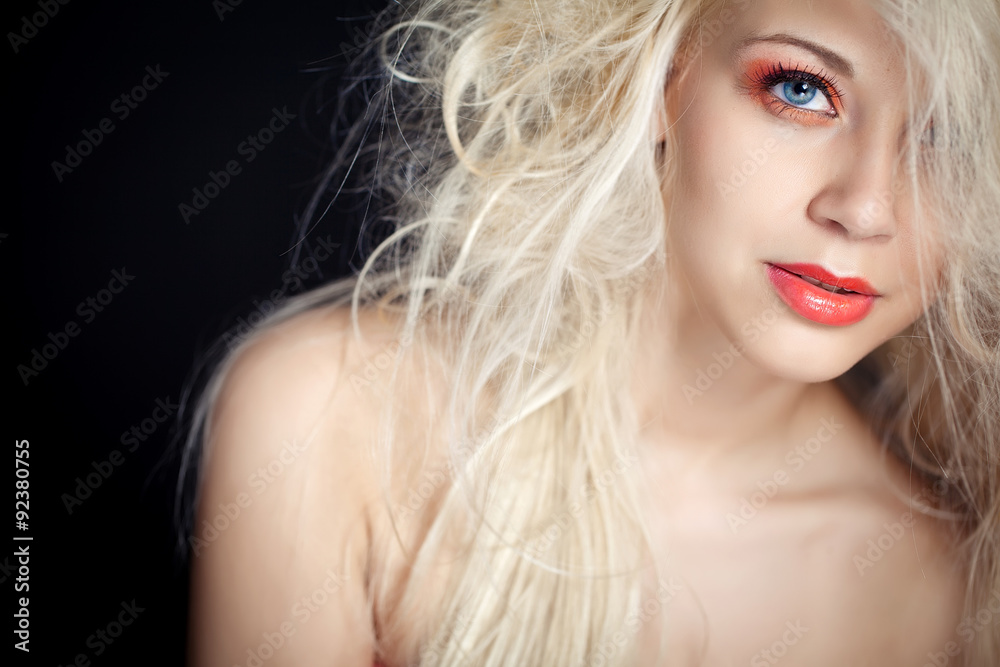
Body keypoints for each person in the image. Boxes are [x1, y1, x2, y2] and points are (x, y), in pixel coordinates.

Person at [183, 0, 1000, 665]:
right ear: (658, 80)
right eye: (799, 89)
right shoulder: (334, 423)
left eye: (953, 137)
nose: (864, 208)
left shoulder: (942, 593)